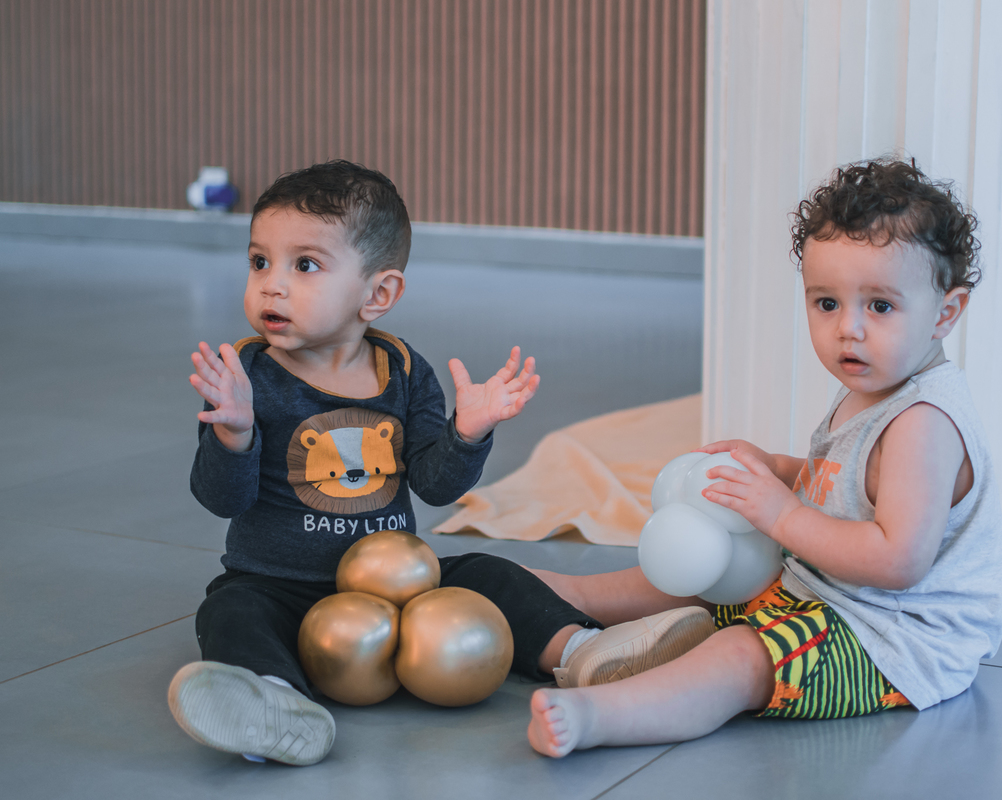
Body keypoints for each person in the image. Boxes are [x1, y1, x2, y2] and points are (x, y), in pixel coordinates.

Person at [168, 160, 713, 766]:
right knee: (228, 608)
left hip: (402, 593)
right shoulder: (242, 377)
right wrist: (235, 433)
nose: (272, 284)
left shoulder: (403, 372)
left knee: (486, 571)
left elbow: (433, 484)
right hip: (277, 587)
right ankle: (273, 704)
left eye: (305, 265)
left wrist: (466, 432)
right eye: (258, 261)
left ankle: (582, 651)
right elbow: (223, 499)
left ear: (378, 294)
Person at [526, 158, 1002, 757]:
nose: (848, 330)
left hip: (891, 639)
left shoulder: (924, 423)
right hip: (823, 592)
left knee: (744, 657)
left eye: (879, 306)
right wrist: (781, 470)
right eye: (826, 303)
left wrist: (780, 515)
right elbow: (850, 488)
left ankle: (601, 715)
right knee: (706, 576)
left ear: (946, 313)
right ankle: (569, 599)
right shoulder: (875, 380)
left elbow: (897, 559)